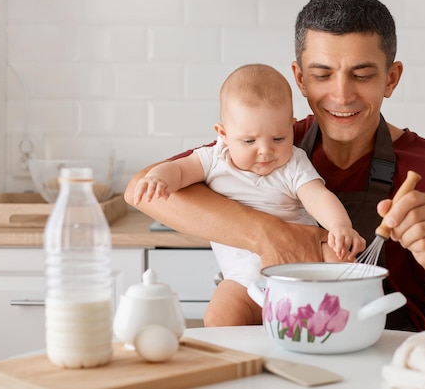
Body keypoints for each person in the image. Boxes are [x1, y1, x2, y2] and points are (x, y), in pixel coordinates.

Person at [124, 0, 425, 331]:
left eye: (361, 75)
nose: (341, 95)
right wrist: (270, 235)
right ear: (299, 78)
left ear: (391, 79)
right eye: (322, 74)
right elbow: (140, 189)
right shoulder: (273, 143)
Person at [133, 63, 366, 326]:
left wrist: (339, 226)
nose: (265, 151)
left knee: (339, 262)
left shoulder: (293, 163)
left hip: (303, 268)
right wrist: (159, 177)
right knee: (219, 318)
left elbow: (316, 196)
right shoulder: (212, 159)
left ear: (291, 127)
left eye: (278, 138)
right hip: (243, 279)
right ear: (223, 134)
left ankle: (346, 317)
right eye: (249, 141)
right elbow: (178, 170)